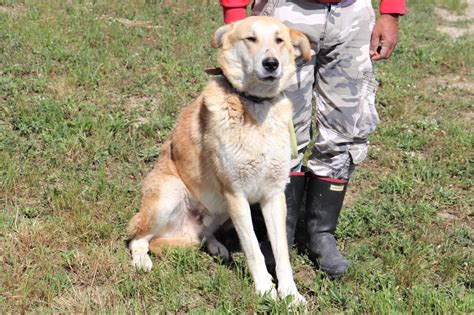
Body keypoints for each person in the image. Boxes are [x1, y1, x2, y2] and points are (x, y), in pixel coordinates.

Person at [219, 0, 406, 277]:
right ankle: (277, 234)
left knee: (347, 127)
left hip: (351, 16)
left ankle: (321, 234)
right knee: (279, 127)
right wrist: (235, 17)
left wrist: (391, 11)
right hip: (287, 13)